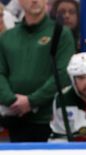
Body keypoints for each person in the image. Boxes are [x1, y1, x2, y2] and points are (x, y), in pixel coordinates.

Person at [0, 0, 74, 142]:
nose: (35, 0)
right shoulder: (7, 38)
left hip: (51, 120)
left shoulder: (61, 33)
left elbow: (63, 74)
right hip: (15, 120)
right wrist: (13, 101)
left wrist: (31, 101)